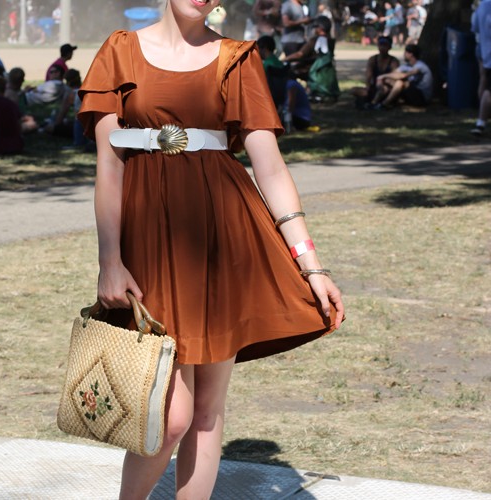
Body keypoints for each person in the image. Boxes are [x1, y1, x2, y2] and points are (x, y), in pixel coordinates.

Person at [77, 0, 344, 496]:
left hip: (226, 240)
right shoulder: (120, 50)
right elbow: (109, 165)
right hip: (152, 245)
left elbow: (270, 168)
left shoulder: (238, 57)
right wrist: (109, 261)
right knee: (171, 415)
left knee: (206, 412)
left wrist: (312, 265)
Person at [371, 43, 433, 109]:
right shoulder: (406, 66)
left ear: (411, 54)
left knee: (400, 82)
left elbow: (403, 75)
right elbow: (394, 74)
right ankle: (373, 103)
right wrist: (383, 79)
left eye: (405, 52)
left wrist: (383, 76)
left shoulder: (420, 66)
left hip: (422, 97)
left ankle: (384, 104)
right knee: (388, 80)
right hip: (412, 95)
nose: (404, 54)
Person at [350, 35, 400, 107]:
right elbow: (368, 75)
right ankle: (369, 99)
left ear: (389, 47)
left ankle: (373, 103)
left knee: (384, 89)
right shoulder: (373, 59)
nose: (382, 48)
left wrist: (384, 80)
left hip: (387, 87)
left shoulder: (393, 61)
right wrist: (368, 87)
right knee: (353, 90)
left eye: (385, 45)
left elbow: (395, 76)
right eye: (380, 45)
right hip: (374, 87)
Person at [471, 0, 491, 136]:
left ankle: (482, 116)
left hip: (484, 50)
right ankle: (481, 121)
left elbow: (475, 28)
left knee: (484, 82)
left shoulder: (482, 6)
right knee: (488, 89)